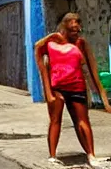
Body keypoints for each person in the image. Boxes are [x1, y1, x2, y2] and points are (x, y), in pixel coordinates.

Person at [35, 12, 111, 168]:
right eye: (73, 24)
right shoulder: (51, 43)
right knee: (56, 120)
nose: (77, 28)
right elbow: (38, 52)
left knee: (83, 122)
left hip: (78, 88)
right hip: (58, 89)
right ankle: (52, 156)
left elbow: (92, 70)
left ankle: (91, 155)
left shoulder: (81, 44)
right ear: (64, 25)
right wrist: (48, 93)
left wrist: (104, 99)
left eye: (78, 25)